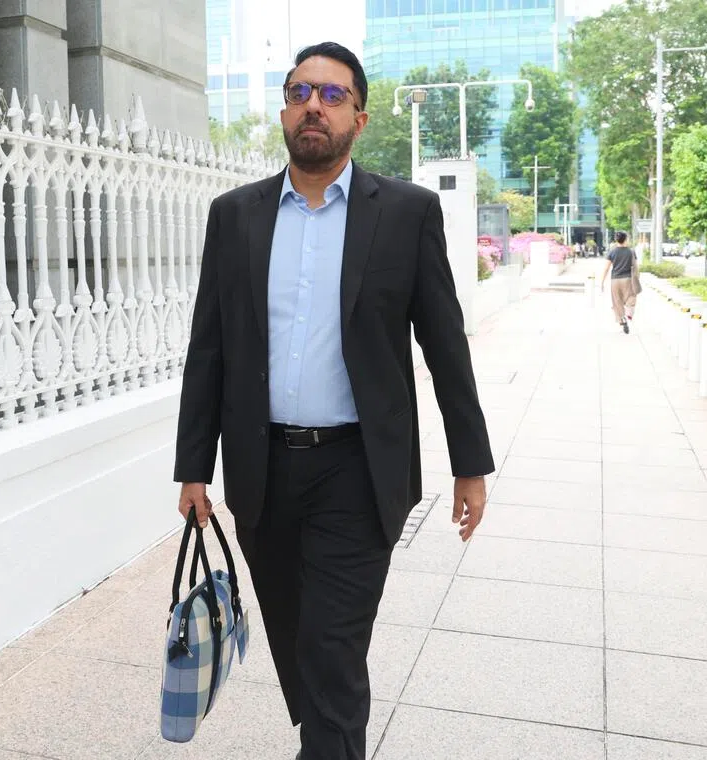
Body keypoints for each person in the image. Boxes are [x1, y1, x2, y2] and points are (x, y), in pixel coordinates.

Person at [173, 41, 494, 760]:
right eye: (299, 92)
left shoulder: (405, 213)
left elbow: (445, 344)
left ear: (360, 117)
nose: (312, 106)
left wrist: (469, 464)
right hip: (262, 472)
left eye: (331, 94)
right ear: (284, 110)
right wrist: (193, 468)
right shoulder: (235, 215)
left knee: (331, 647)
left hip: (358, 470)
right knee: (298, 642)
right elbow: (209, 349)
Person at [601, 230, 639, 334]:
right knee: (631, 297)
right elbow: (636, 267)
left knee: (617, 302)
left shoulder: (612, 252)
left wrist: (602, 281)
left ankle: (622, 319)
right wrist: (637, 278)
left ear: (616, 240)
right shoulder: (631, 251)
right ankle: (628, 314)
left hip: (615, 280)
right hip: (628, 279)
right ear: (626, 239)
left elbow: (606, 268)